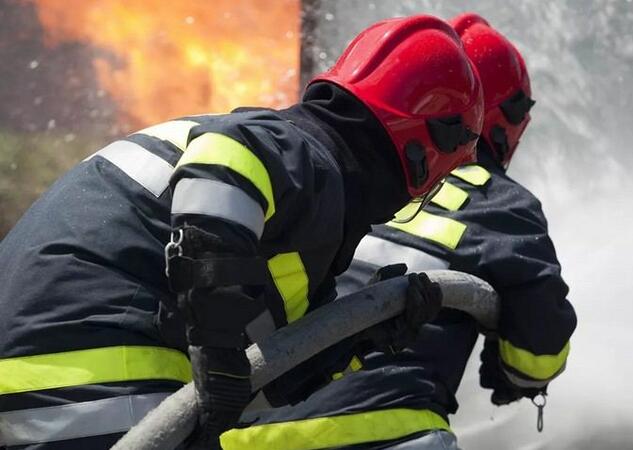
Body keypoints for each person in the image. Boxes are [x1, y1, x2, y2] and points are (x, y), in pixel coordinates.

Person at [0, 15, 484, 449]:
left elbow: (256, 385)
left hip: (40, 386)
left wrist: (362, 337)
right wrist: (216, 345)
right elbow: (225, 163)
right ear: (426, 147)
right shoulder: (303, 153)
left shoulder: (293, 212)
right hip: (92, 380)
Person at [222, 13, 577, 450]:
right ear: (504, 117)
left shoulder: (328, 178)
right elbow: (538, 354)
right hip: (385, 434)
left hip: (239, 433)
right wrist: (512, 368)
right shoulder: (499, 203)